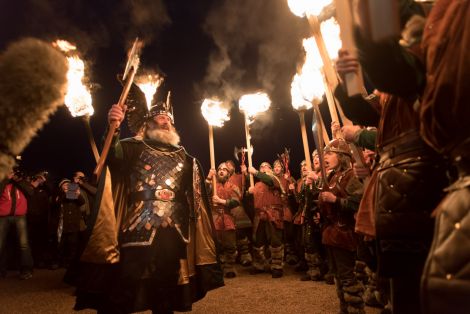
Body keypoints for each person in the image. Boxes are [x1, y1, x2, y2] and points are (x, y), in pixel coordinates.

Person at [75, 94, 223, 313]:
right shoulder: (133, 148)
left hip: (174, 228)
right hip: (137, 223)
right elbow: (113, 156)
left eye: (169, 119)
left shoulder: (185, 157)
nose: (166, 121)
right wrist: (113, 128)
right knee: (126, 281)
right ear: (148, 124)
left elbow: (193, 193)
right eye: (161, 117)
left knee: (167, 285)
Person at [318, 139, 365, 314]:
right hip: (331, 233)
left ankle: (355, 309)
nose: (325, 157)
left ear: (342, 156)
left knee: (347, 276)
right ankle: (345, 309)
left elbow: (359, 201)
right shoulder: (331, 176)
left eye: (329, 153)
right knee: (338, 276)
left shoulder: (351, 176)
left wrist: (336, 200)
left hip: (345, 232)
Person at [246, 162, 285, 278]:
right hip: (259, 215)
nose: (263, 168)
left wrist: (256, 172)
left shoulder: (274, 179)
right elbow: (249, 204)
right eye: (261, 167)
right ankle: (259, 265)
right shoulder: (257, 184)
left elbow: (268, 180)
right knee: (258, 241)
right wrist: (248, 193)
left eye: (266, 166)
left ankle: (277, 266)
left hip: (273, 214)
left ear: (271, 170)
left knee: (275, 241)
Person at [206, 162, 242, 278]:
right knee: (216, 245)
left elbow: (236, 201)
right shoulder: (212, 185)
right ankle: (218, 268)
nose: (221, 171)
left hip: (227, 218)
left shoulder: (233, 187)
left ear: (228, 173)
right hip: (214, 218)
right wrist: (208, 178)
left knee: (230, 245)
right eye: (219, 169)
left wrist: (221, 201)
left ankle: (229, 268)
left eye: (224, 169)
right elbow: (201, 193)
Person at [0, 168, 34, 279]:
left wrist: (18, 180)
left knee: (23, 244)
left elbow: (31, 192)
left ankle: (26, 270)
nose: (12, 173)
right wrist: (6, 179)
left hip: (20, 216)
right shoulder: (2, 181)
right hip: (3, 216)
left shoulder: (22, 182)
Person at [225, 159, 253, 267]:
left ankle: (245, 256)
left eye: (229, 165)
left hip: (237, 208)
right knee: (228, 234)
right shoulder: (220, 179)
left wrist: (245, 172)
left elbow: (248, 182)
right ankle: (230, 258)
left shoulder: (238, 177)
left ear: (233, 167)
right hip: (226, 209)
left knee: (241, 232)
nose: (227, 166)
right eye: (225, 165)